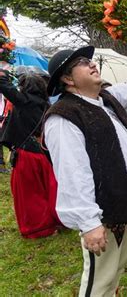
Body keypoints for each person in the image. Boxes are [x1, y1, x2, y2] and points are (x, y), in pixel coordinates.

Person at [43, 45, 127, 296]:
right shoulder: (64, 116)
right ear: (67, 79)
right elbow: (72, 172)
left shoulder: (106, 100)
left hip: (125, 200)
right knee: (99, 280)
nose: (91, 63)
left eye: (88, 60)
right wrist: (88, 223)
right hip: (103, 209)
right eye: (81, 62)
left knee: (115, 270)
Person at [0, 71, 62, 238]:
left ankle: (40, 227)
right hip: (43, 154)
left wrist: (2, 76)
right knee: (49, 189)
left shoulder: (25, 101)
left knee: (29, 193)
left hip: (27, 156)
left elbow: (6, 88)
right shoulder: (45, 104)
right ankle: (58, 220)